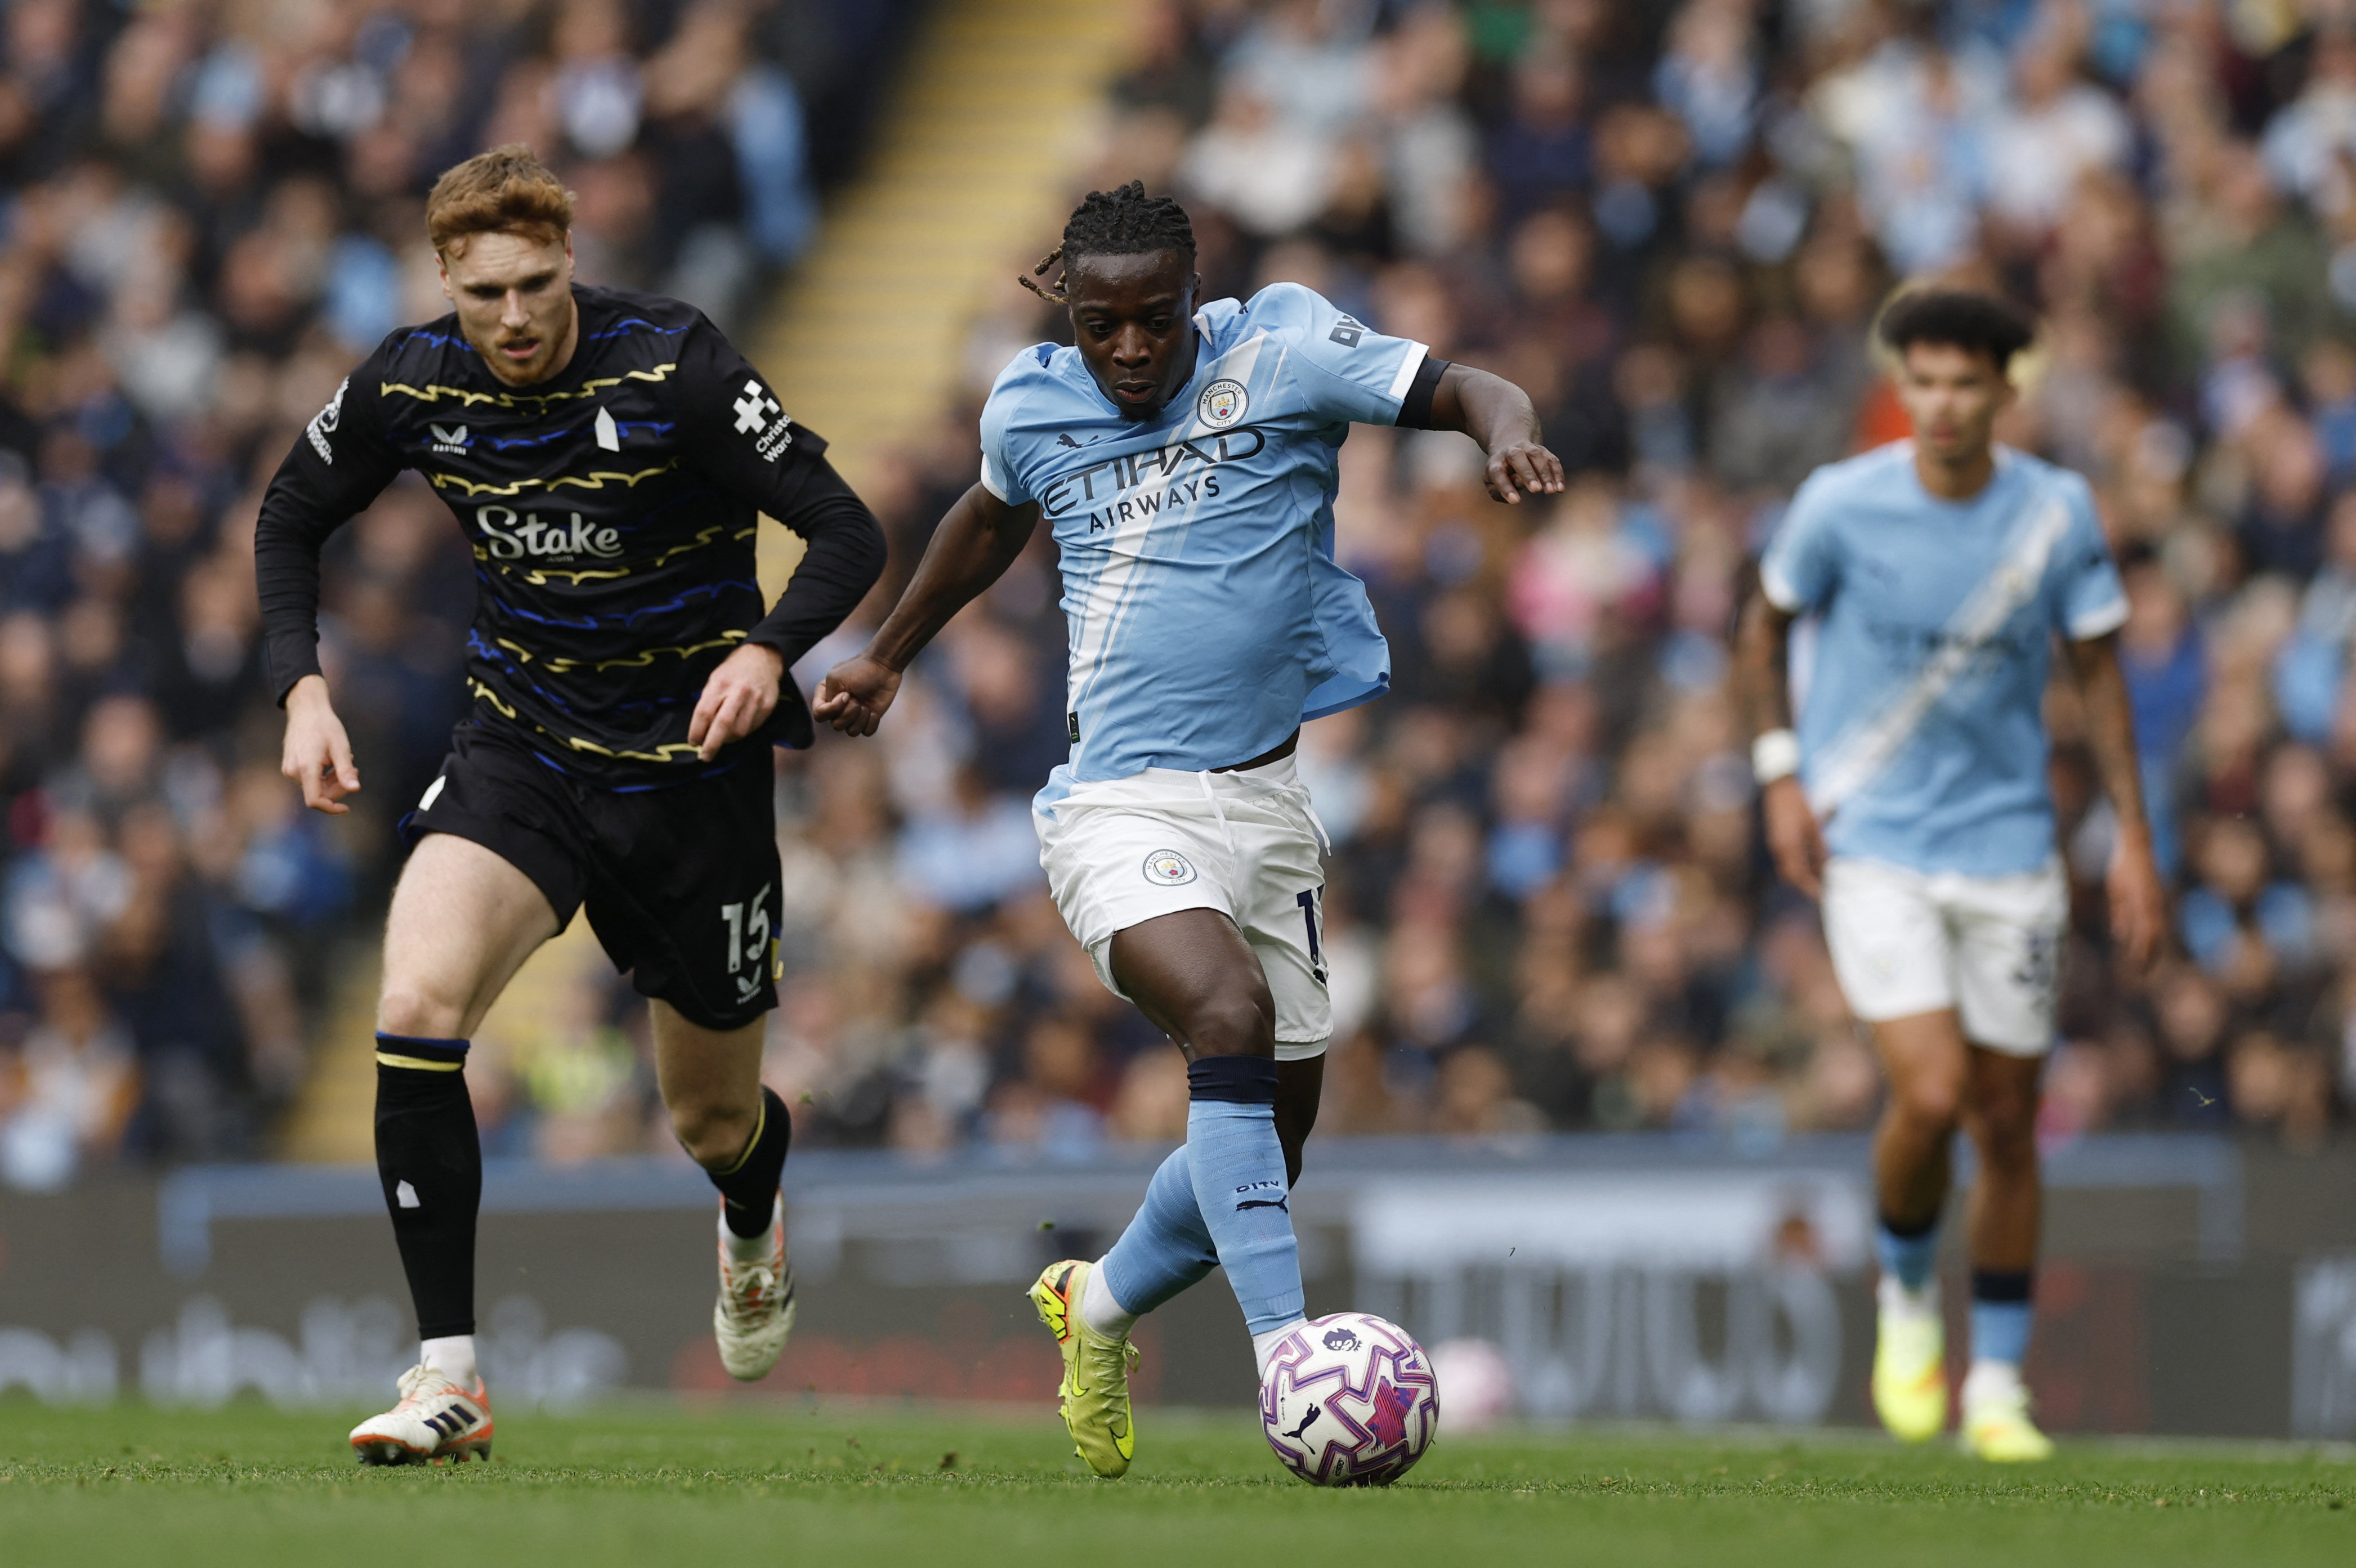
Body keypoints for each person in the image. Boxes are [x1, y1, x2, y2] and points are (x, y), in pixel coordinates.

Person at [813, 182, 1561, 1476]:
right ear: (1071, 310)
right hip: (1117, 803)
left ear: (1189, 296)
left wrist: (1506, 435)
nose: (1130, 351)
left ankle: (1095, 1304)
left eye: (1154, 321)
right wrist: (886, 655)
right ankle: (1294, 1359)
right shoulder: (1030, 401)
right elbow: (986, 518)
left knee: (1274, 1135)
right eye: (1103, 326)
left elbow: (1464, 386)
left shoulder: (1283, 349)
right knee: (1225, 1021)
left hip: (1267, 807)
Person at [253, 145, 886, 1463]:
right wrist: (300, 691)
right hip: (522, 749)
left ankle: (752, 1217)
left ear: (572, 260)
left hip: (690, 779)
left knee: (711, 1121)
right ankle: (451, 1379)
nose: (516, 317)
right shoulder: (412, 380)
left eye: (538, 283)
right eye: (486, 292)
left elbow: (844, 526)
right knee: (416, 1007)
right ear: (445, 279)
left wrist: (768, 648)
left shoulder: (676, 366)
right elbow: (291, 513)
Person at [1733, 288, 2166, 1462]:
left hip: (2010, 852)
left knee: (2010, 1123)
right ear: (1900, 387)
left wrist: (2133, 835)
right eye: (1920, 380)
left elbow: (2097, 675)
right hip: (1871, 841)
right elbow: (1762, 629)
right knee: (1929, 1095)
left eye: (1963, 383)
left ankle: (1999, 1390)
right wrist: (1779, 774)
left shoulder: (2054, 513)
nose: (1939, 403)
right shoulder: (1841, 503)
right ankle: (1909, 1294)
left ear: (2003, 392)